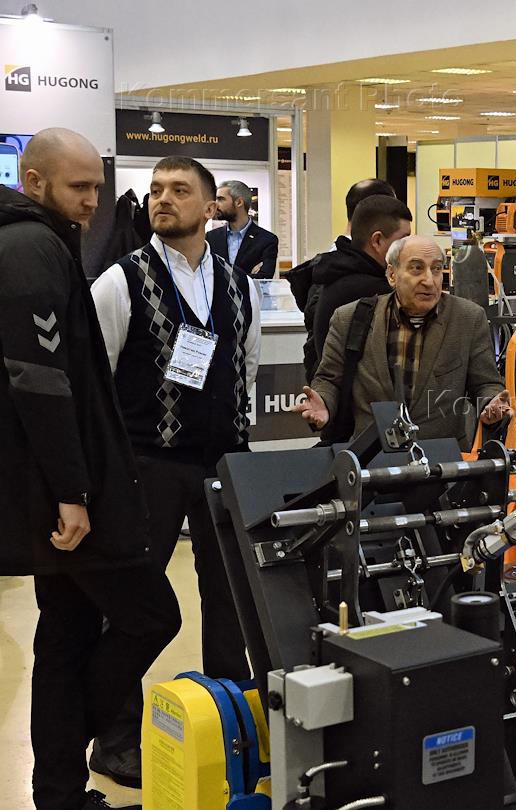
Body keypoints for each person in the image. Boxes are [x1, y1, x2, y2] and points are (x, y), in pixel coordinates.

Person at [0, 128, 180, 810]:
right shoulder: (30, 247)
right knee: (152, 616)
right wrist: (72, 491)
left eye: (98, 187)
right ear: (35, 181)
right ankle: (73, 748)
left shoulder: (44, 241)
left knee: (65, 637)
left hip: (62, 486)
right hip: (70, 496)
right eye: (79, 187)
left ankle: (58, 792)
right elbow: (40, 381)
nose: (92, 201)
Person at [90, 155, 261, 786]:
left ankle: (229, 720)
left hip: (223, 462)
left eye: (179, 190)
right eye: (156, 189)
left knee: (231, 597)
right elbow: (98, 379)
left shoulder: (238, 284)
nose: (163, 199)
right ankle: (115, 737)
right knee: (133, 603)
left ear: (210, 207)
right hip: (148, 464)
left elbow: (245, 366)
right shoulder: (120, 280)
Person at [292, 235, 510, 450]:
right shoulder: (350, 318)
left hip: (441, 459)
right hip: (372, 456)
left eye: (436, 269)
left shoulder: (468, 318)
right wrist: (324, 401)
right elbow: (329, 379)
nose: (429, 280)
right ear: (392, 274)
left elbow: (485, 383)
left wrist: (491, 403)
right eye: (416, 268)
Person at [303, 195, 412, 381]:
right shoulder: (373, 291)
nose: (408, 248)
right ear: (377, 241)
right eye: (403, 240)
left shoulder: (337, 274)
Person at [207, 179, 279, 279]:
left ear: (239, 202)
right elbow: (205, 275)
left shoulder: (267, 240)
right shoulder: (211, 237)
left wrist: (222, 278)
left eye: (221, 199)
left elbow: (264, 278)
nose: (216, 204)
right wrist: (248, 277)